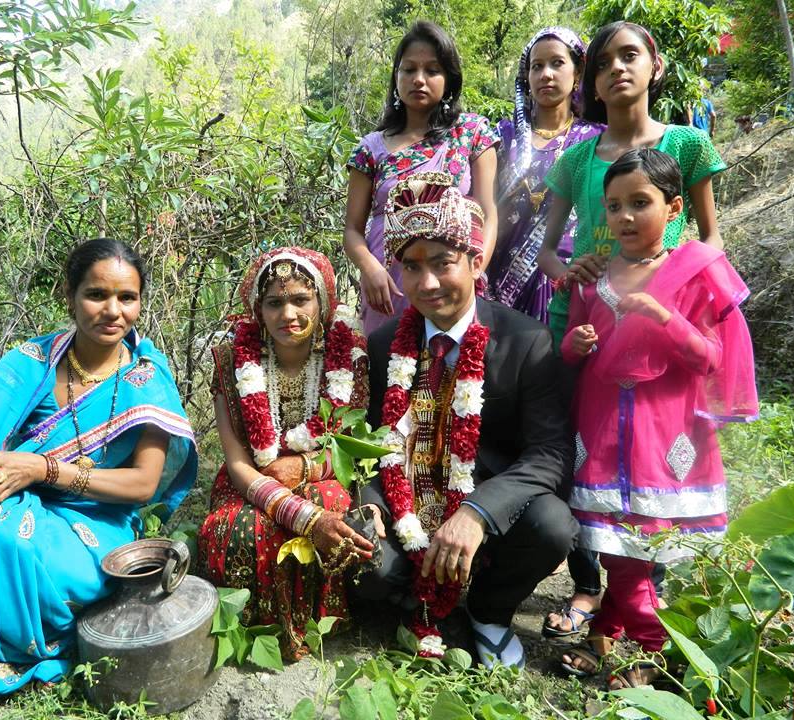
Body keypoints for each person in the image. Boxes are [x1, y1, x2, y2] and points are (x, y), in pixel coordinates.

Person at [0, 239, 198, 693]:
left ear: (141, 302)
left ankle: (27, 647)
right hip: (17, 493)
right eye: (96, 294)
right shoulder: (33, 362)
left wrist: (43, 469)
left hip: (98, 517)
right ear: (69, 296)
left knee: (33, 554)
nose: (113, 311)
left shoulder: (147, 379)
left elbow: (143, 485)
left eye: (127, 298)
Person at [354, 172, 577, 668]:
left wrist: (477, 513)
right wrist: (370, 505)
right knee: (368, 563)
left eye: (442, 263)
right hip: (405, 502)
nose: (427, 283)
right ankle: (415, 595)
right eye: (411, 267)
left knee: (552, 527)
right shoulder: (383, 344)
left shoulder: (527, 342)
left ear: (476, 263)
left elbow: (550, 454)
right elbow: (368, 443)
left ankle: (487, 610)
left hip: (490, 511)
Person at [558, 149, 758, 688]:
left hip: (665, 435)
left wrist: (665, 317)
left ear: (673, 209)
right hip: (601, 431)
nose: (623, 216)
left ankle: (652, 649)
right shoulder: (593, 276)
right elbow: (573, 351)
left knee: (633, 553)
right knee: (617, 551)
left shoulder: (695, 270)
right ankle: (607, 631)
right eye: (614, 205)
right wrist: (576, 344)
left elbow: (713, 358)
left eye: (639, 204)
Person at [198, 247, 374, 660]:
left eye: (300, 300)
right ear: (258, 309)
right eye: (275, 303)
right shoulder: (229, 360)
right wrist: (298, 515)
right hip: (250, 481)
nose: (288, 314)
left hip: (325, 476)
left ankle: (320, 623)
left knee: (333, 505)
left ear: (323, 302)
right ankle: (259, 627)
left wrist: (305, 467)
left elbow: (354, 447)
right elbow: (237, 462)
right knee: (237, 527)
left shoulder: (349, 353)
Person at [538, 20, 727, 348]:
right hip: (581, 323)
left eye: (629, 55)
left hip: (658, 314)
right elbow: (547, 253)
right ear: (593, 85)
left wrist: (673, 278)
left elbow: (712, 238)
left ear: (655, 67)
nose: (616, 68)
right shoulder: (575, 160)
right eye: (603, 63)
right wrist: (570, 276)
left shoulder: (688, 144)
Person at [344, 20, 499, 336]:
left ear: (449, 80)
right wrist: (371, 269)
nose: (419, 79)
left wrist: (476, 268)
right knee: (390, 373)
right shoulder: (370, 148)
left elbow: (487, 211)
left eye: (432, 70)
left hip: (453, 277)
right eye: (409, 69)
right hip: (388, 286)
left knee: (457, 369)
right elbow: (352, 231)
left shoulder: (471, 134)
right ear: (396, 77)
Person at [489, 27, 604, 321]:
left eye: (557, 63)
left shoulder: (596, 139)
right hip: (499, 277)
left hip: (568, 279)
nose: (546, 74)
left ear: (578, 71)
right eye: (536, 66)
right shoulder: (504, 135)